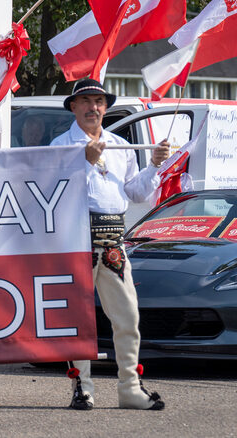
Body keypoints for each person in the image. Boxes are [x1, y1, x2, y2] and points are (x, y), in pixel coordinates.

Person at [49, 78, 169, 411]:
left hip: (115, 238)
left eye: (99, 101)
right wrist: (83, 162)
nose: (93, 108)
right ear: (73, 106)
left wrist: (155, 165)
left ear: (106, 107)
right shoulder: (61, 146)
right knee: (78, 318)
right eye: (86, 101)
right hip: (76, 238)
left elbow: (136, 193)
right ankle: (81, 388)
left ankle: (130, 388)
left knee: (128, 316)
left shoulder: (119, 145)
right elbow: (52, 192)